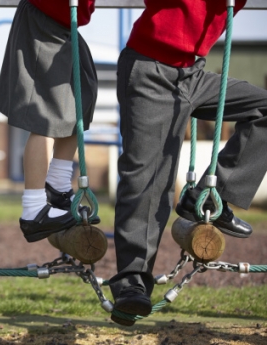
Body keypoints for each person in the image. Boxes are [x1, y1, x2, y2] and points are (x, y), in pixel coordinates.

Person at [109, 0, 267, 327]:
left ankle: (212, 195)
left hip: (192, 73)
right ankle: (131, 282)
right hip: (151, 67)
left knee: (263, 109)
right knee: (148, 178)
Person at [0, 0, 99, 243]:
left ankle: (58, 183)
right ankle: (33, 209)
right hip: (45, 15)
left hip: (66, 21)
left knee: (82, 94)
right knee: (45, 113)